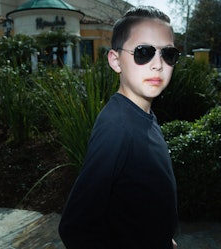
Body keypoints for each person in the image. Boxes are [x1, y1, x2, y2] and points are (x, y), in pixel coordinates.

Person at [58, 6, 180, 249]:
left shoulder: (142, 114)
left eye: (168, 54)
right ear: (115, 61)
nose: (158, 64)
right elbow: (75, 226)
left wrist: (161, 236)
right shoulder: (117, 127)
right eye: (143, 52)